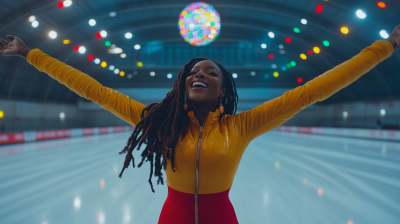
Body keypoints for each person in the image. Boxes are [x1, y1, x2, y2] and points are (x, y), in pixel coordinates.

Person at [1, 25, 399, 224]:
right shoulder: (157, 121)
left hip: (222, 216)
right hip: (170, 216)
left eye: (210, 71)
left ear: (224, 88)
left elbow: (316, 89)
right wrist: (30, 54)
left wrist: (386, 47)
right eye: (192, 70)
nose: (198, 73)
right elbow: (94, 90)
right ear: (182, 82)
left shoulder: (242, 126)